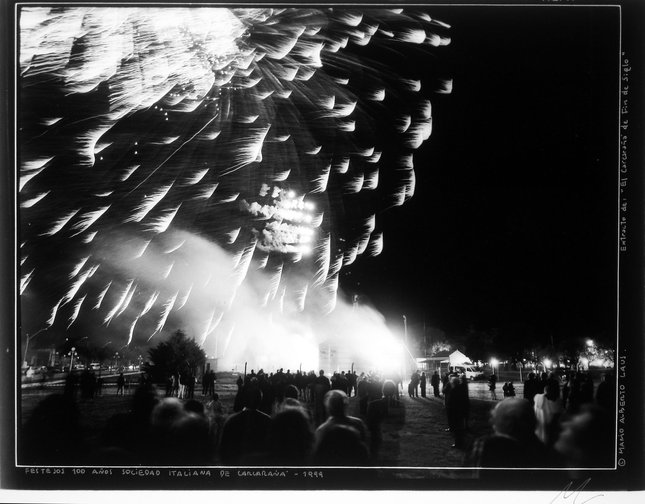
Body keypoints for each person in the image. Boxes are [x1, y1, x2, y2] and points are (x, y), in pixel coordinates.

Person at [468, 398, 559, 474]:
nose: (491, 421)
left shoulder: (486, 446)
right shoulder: (543, 450)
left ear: (509, 423)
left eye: (495, 417)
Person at [219, 388, 271, 465]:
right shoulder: (268, 421)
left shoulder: (232, 420)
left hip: (236, 466)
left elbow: (223, 449)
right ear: (260, 401)